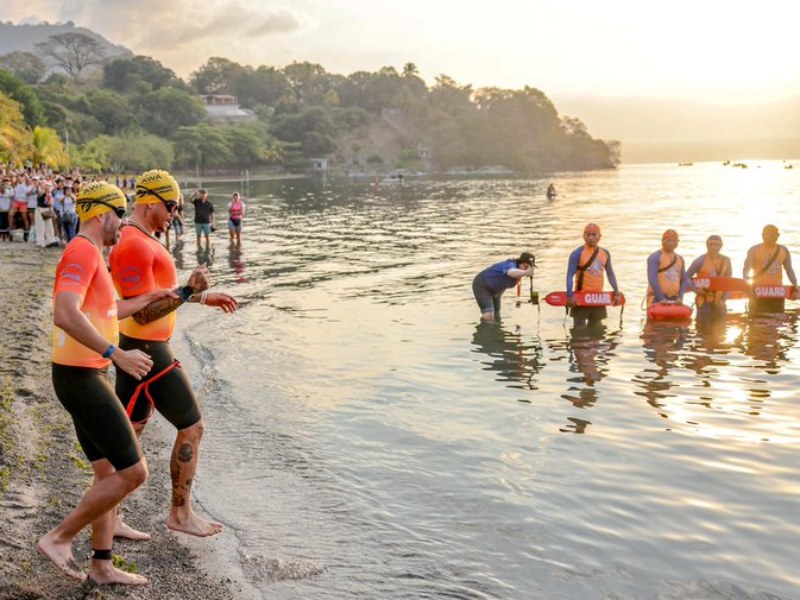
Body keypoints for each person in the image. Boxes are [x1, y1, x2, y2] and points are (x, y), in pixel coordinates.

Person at [39, 181, 173, 585]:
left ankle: (101, 565)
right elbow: (65, 312)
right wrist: (118, 354)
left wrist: (156, 297)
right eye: (119, 214)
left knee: (108, 471)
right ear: (101, 214)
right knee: (134, 472)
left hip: (80, 374)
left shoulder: (93, 253)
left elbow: (108, 310)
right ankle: (60, 537)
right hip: (82, 378)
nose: (122, 223)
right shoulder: (81, 249)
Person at [109, 170, 239, 537]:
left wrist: (200, 296)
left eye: (178, 208)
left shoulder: (144, 238)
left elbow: (155, 292)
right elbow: (139, 309)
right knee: (192, 428)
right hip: (147, 352)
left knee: (129, 433)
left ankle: (109, 516)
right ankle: (179, 515)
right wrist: (187, 290)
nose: (174, 214)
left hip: (142, 348)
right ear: (149, 201)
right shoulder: (134, 244)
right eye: (170, 206)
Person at [565, 223, 621, 327]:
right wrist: (569, 295)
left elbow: (610, 274)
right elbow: (569, 275)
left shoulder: (605, 253)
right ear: (584, 236)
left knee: (597, 330)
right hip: (581, 297)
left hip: (598, 298)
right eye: (588, 234)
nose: (591, 237)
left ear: (599, 236)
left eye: (594, 235)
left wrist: (617, 292)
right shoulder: (577, 253)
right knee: (579, 329)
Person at [743, 224, 798, 314]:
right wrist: (748, 285)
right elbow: (746, 270)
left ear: (778, 236)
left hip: (777, 293)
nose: (769, 237)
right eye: (766, 235)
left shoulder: (783, 250)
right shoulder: (754, 250)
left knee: (776, 322)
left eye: (772, 235)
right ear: (762, 236)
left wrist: (795, 285)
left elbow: (789, 270)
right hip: (758, 292)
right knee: (755, 324)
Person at [472, 252, 535, 321]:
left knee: (497, 312)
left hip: (496, 290)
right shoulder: (510, 264)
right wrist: (525, 273)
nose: (526, 269)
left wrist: (497, 294)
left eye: (529, 268)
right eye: (525, 266)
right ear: (519, 262)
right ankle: (486, 329)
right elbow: (511, 272)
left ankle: (496, 330)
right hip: (482, 285)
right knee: (489, 314)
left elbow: (504, 284)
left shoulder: (519, 274)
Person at [687, 234, 732, 319]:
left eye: (716, 245)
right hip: (703, 299)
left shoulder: (726, 261)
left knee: (720, 327)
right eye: (710, 244)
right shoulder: (699, 260)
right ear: (707, 245)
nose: (713, 247)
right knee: (703, 326)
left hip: (720, 300)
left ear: (721, 246)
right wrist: (695, 290)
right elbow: (686, 277)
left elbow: (728, 281)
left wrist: (724, 299)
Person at [646, 229, 691, 306]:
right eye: (668, 240)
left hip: (674, 298)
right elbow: (652, 279)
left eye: (674, 241)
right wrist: (661, 298)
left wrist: (680, 297)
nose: (671, 243)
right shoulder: (655, 257)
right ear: (662, 241)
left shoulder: (679, 258)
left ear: (677, 242)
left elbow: (684, 280)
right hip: (656, 298)